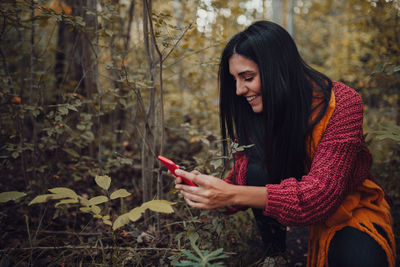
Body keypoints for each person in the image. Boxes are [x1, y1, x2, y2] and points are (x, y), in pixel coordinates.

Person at [174, 21, 395, 267]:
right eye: (234, 79)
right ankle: (274, 255)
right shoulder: (253, 113)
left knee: (361, 260)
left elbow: (320, 195)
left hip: (349, 206)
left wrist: (230, 194)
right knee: (254, 169)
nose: (238, 90)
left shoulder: (343, 103)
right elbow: (241, 182)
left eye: (247, 77)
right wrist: (205, 190)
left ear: (278, 69)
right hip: (290, 194)